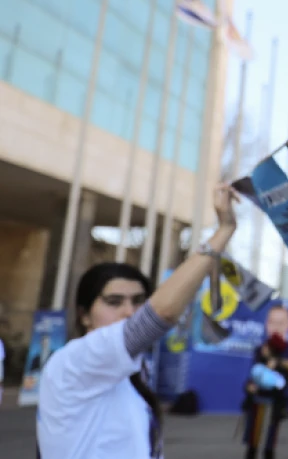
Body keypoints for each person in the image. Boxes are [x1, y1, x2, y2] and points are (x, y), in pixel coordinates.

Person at [36, 184, 238, 459]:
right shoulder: (73, 361)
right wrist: (223, 230)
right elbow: (162, 314)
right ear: (84, 315)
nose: (129, 312)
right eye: (114, 302)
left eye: (138, 301)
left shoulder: (130, 373)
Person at [241, 305, 288, 459]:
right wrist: (249, 386)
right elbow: (254, 373)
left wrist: (276, 362)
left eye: (281, 322)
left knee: (270, 440)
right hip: (258, 399)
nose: (276, 327)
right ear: (266, 324)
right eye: (272, 322)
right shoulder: (261, 349)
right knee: (253, 440)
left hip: (277, 400)